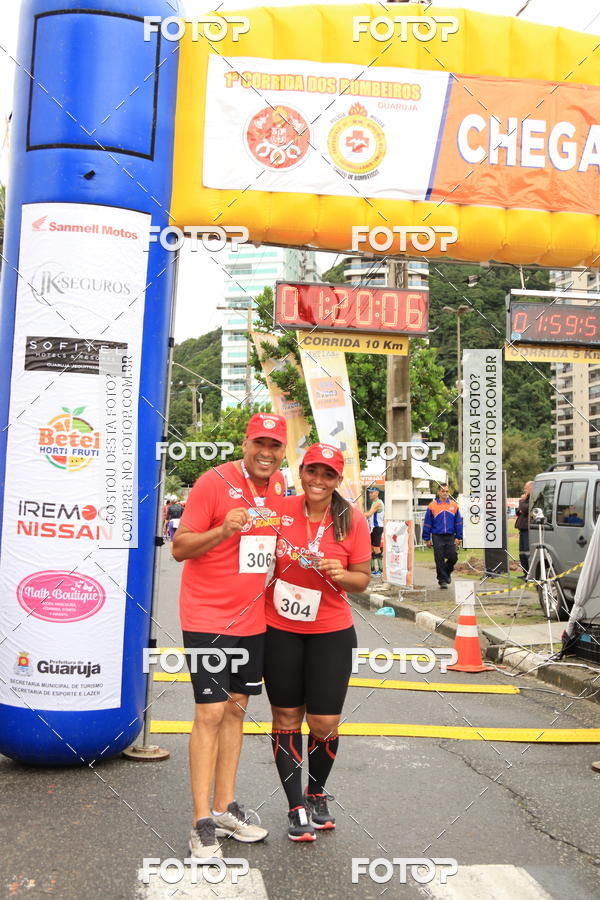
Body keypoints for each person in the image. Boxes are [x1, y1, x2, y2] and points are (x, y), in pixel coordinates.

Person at [172, 413, 288, 859]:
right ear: (245, 443)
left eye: (275, 445)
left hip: (252, 620)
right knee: (210, 713)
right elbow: (181, 547)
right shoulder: (212, 482)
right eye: (260, 442)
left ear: (282, 452)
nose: (266, 452)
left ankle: (224, 808)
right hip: (208, 618)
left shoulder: (278, 487)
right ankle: (201, 820)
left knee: (237, 711)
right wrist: (222, 530)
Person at [263, 443, 371, 841]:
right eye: (312, 471)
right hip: (280, 629)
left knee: (324, 722)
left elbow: (363, 578)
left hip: (330, 630)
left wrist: (342, 575)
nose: (318, 481)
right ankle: (294, 807)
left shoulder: (350, 519)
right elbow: (248, 547)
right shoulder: (279, 510)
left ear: (338, 480)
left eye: (328, 474)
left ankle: (317, 794)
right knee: (286, 719)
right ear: (301, 472)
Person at [422, 484, 463, 589]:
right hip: (437, 536)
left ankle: (446, 573)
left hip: (450, 536)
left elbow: (458, 522)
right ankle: (442, 581)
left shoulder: (454, 505)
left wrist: (458, 537)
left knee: (453, 557)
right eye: (443, 491)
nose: (445, 493)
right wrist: (426, 538)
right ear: (439, 492)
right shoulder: (432, 505)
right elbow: (427, 523)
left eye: (447, 491)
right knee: (439, 558)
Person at [365, 486, 385, 577]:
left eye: (372, 492)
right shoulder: (374, 503)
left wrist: (356, 513)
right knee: (371, 548)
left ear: (377, 493)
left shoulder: (377, 503)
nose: (370, 494)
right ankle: (373, 569)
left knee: (376, 548)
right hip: (374, 528)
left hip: (377, 527)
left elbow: (369, 514)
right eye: (369, 492)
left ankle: (381, 571)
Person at [515, 480, 533, 575]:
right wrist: (521, 506)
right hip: (522, 529)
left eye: (526, 488)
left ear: (531, 488)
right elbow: (518, 511)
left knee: (527, 552)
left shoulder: (532, 498)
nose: (524, 490)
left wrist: (521, 501)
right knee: (522, 553)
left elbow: (525, 509)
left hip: (528, 529)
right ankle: (525, 573)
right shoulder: (525, 499)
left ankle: (530, 573)